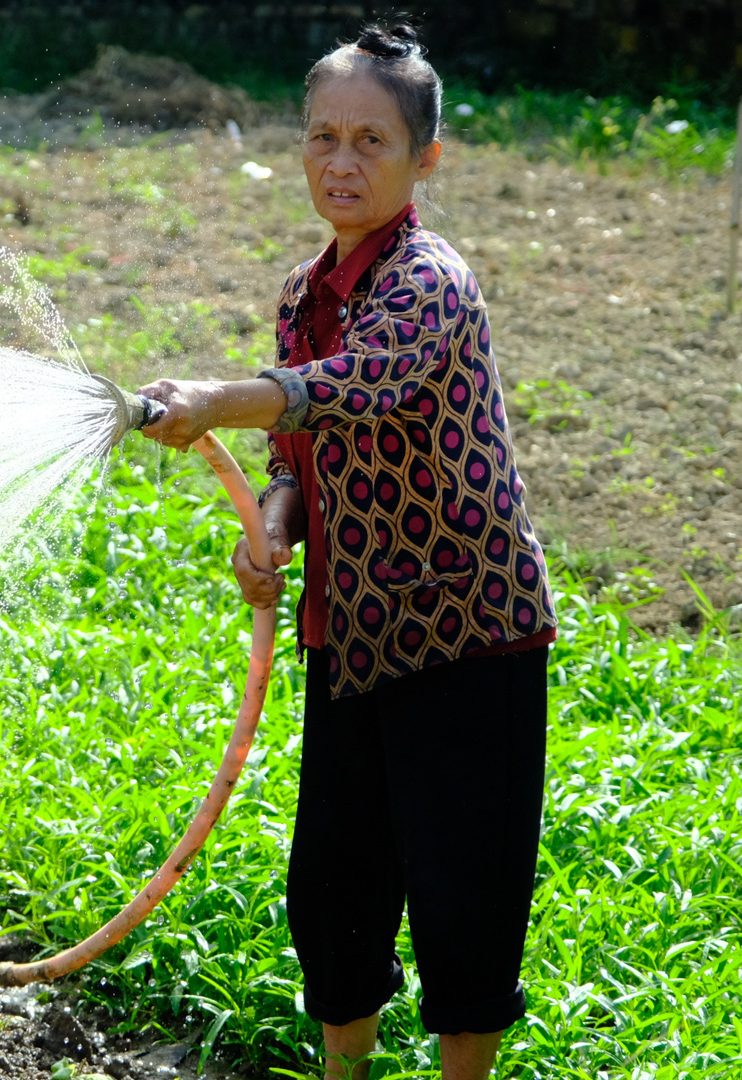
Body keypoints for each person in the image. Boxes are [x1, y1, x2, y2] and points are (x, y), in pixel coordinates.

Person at [135, 22, 556, 1080]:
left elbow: (354, 386)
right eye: (323, 135)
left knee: (464, 891)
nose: (342, 161)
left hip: (467, 632)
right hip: (354, 630)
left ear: (425, 160)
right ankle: (346, 1070)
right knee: (336, 883)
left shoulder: (430, 282)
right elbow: (298, 447)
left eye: (372, 140)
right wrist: (275, 521)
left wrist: (214, 402)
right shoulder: (301, 293)